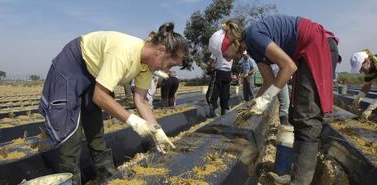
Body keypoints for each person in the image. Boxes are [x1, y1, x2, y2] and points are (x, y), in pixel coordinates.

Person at [38, 22, 188, 184]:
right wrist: (134, 121)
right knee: (70, 133)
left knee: (95, 128)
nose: (167, 70)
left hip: (94, 73)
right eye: (171, 64)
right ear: (161, 51)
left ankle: (107, 177)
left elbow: (140, 100)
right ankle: (70, 178)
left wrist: (157, 132)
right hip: (74, 64)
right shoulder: (124, 52)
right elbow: (100, 96)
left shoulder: (147, 65)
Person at [218, 16, 340, 185]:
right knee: (297, 115)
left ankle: (299, 182)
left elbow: (288, 67)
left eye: (226, 56)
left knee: (307, 119)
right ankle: (296, 175)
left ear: (232, 43)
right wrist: (256, 103)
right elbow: (268, 81)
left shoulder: (253, 36)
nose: (228, 60)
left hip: (317, 45)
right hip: (305, 51)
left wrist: (266, 99)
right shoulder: (253, 48)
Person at [206, 23, 236, 117]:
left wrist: (209, 67)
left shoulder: (218, 46)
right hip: (227, 73)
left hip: (219, 72)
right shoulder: (232, 47)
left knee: (213, 92)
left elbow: (211, 61)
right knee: (225, 92)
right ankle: (225, 111)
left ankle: (212, 109)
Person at [352, 49, 377, 120]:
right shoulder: (369, 68)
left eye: (361, 68)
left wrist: (370, 109)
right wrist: (358, 99)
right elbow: (367, 85)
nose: (361, 71)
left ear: (367, 61)